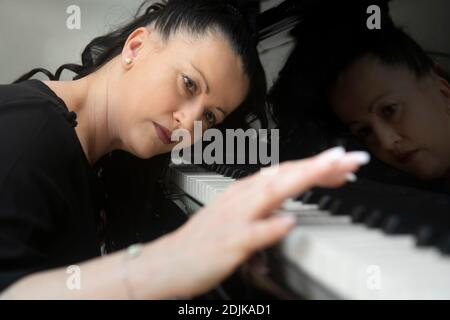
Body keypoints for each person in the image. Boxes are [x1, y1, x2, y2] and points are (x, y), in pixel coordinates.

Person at [0, 0, 368, 299]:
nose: (189, 123)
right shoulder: (28, 132)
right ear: (136, 46)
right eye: (188, 84)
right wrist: (167, 263)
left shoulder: (91, 147)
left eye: (210, 115)